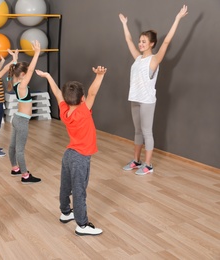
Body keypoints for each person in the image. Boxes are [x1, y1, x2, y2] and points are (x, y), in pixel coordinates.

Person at [36, 66, 107, 236]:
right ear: (82, 99)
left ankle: (66, 212)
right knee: (79, 190)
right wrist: (99, 76)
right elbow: (93, 93)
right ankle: (82, 225)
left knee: (65, 186)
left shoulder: (64, 111)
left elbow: (57, 94)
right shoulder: (83, 111)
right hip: (80, 158)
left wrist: (47, 76)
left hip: (68, 155)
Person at [119, 5, 188, 175]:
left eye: (144, 42)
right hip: (135, 98)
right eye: (140, 41)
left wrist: (177, 18)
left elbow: (166, 41)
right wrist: (124, 24)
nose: (140, 44)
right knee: (137, 131)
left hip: (147, 101)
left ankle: (148, 165)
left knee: (147, 132)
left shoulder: (154, 60)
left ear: (151, 44)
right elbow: (128, 40)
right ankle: (136, 161)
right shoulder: (137, 59)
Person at [7, 41, 42, 184]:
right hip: (22, 121)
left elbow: (12, 71)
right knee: (20, 149)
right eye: (26, 74)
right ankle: (25, 175)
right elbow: (31, 70)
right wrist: (37, 53)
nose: (29, 75)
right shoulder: (22, 86)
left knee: (12, 146)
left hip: (17, 118)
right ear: (23, 74)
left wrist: (14, 59)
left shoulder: (14, 82)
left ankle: (15, 168)